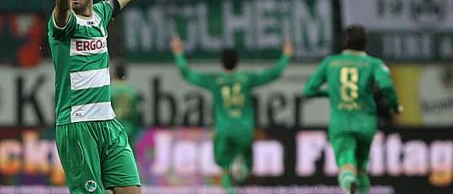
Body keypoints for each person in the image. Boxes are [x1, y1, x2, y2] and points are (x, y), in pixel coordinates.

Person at [47, 0, 184, 194]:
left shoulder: (102, 14)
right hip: (78, 126)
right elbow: (61, 10)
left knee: (131, 190)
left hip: (109, 124)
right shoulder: (64, 24)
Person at [170, 35, 293, 192]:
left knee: (224, 168)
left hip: (224, 130)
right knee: (246, 164)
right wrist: (286, 55)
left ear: (221, 63)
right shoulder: (246, 78)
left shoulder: (215, 80)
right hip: (245, 130)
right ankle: (241, 171)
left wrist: (178, 53)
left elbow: (187, 73)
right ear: (238, 62)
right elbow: (273, 73)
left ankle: (231, 185)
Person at [303, 24, 402, 194]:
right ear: (365, 43)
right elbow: (386, 85)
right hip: (365, 122)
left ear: (344, 42)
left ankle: (348, 183)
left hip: (341, 123)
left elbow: (308, 90)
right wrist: (395, 105)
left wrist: (332, 93)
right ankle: (358, 186)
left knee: (346, 162)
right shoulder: (373, 63)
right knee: (361, 167)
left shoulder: (330, 62)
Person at [111, 62, 143, 149]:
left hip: (113, 131)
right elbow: (137, 114)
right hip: (129, 130)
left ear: (114, 74)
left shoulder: (109, 90)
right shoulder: (132, 92)